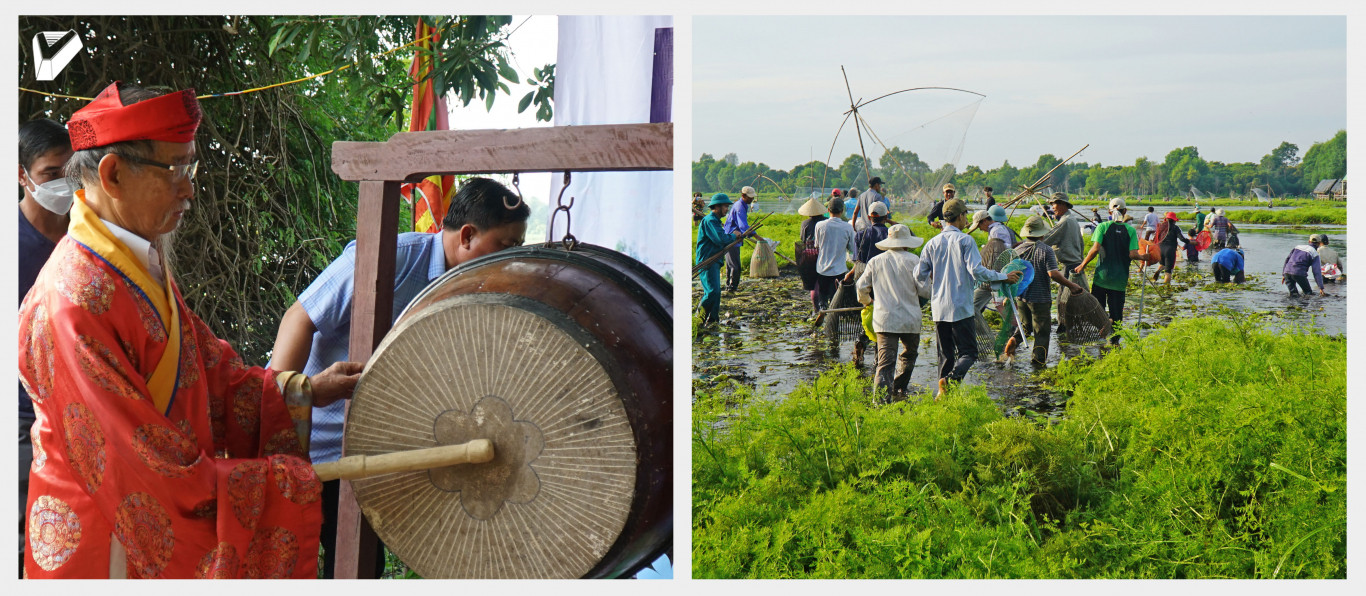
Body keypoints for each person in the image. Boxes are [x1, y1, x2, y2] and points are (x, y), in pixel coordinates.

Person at [18, 82, 364, 578]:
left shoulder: (134, 262)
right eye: (175, 168)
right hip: (106, 538)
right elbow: (141, 466)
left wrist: (303, 391)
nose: (189, 188)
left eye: (191, 167)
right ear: (113, 174)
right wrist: (276, 484)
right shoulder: (74, 298)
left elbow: (210, 373)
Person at [269, 177, 528, 577]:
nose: (509, 261)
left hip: (372, 457)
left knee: (357, 572)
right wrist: (277, 404)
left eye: (518, 249)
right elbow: (300, 317)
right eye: (505, 246)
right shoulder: (390, 257)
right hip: (306, 446)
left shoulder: (475, 293)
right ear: (467, 236)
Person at [17, 117, 74, 577]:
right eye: (51, 174)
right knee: (27, 541)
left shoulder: (86, 233)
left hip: (76, 411)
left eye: (70, 173)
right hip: (22, 416)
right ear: (23, 176)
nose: (63, 184)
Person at [914, 199, 1020, 399]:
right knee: (969, 353)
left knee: (945, 355)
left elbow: (919, 275)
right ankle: (951, 382)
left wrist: (936, 280)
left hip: (939, 308)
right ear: (960, 216)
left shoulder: (932, 243)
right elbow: (976, 271)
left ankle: (943, 394)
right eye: (966, 215)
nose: (967, 220)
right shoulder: (965, 241)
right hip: (960, 306)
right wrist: (1002, 276)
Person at [856, 224, 929, 398]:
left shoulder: (876, 261)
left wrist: (868, 301)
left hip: (885, 319)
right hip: (910, 319)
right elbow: (925, 291)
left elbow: (861, 287)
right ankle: (898, 388)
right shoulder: (914, 261)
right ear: (907, 243)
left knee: (885, 363)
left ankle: (880, 400)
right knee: (909, 355)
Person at [1004, 216, 1085, 365]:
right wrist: (1071, 285)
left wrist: (1007, 296)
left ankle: (1015, 339)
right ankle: (1038, 363)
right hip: (1040, 297)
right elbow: (1053, 274)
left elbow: (1012, 275)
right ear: (1042, 234)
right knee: (1042, 332)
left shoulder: (1017, 250)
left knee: (1026, 326)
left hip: (1021, 296)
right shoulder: (1046, 250)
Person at [1075, 198, 1141, 342]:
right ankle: (1115, 342)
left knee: (1097, 311)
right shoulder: (1130, 230)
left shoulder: (1102, 227)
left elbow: (1095, 249)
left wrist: (1082, 265)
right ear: (1125, 211)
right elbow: (1133, 255)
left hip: (1101, 278)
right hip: (1119, 280)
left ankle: (1103, 335)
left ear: (1110, 212)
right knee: (1117, 316)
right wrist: (1145, 257)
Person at [848, 201, 892, 362]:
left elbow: (858, 260)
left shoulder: (861, 234)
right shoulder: (890, 234)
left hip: (865, 279)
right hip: (885, 281)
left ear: (868, 217)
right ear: (886, 217)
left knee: (868, 313)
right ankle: (878, 358)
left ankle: (862, 340)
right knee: (883, 319)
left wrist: (850, 274)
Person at [965, 205, 1015, 316]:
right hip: (997, 273)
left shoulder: (996, 231)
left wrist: (994, 275)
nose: (979, 229)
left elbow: (999, 253)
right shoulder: (996, 229)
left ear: (984, 221)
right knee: (996, 303)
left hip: (997, 272)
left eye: (979, 225)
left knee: (975, 305)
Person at [695, 193, 736, 324]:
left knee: (716, 292)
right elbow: (721, 239)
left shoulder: (715, 221)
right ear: (717, 207)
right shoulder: (710, 221)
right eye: (725, 206)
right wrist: (734, 236)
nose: (727, 209)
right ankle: (698, 319)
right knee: (712, 292)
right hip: (707, 260)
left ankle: (713, 320)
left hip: (714, 260)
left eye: (727, 206)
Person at [814, 198, 857, 312]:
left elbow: (817, 245)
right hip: (838, 270)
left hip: (822, 268)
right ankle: (833, 316)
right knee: (836, 299)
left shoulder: (819, 225)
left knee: (823, 298)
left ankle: (822, 311)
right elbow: (852, 248)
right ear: (842, 211)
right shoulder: (847, 227)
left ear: (828, 210)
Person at [1039, 192, 1087, 291]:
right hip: (1076, 264)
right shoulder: (1072, 219)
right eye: (1052, 204)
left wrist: (1027, 243)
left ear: (1062, 204)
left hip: (1069, 266)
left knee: (1064, 297)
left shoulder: (1065, 221)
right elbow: (1081, 243)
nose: (1053, 208)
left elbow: (1046, 240)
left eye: (1054, 204)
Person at [722, 185, 759, 292]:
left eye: (752, 197)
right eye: (750, 197)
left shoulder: (743, 205)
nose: (752, 199)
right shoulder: (739, 207)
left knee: (731, 264)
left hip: (734, 236)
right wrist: (757, 236)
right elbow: (743, 226)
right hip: (731, 237)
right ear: (743, 196)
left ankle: (729, 286)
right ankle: (732, 288)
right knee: (735, 265)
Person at [796, 197, 827, 313]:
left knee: (813, 284)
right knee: (823, 280)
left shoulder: (805, 223)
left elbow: (802, 239)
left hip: (809, 255)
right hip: (823, 253)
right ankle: (824, 305)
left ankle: (816, 309)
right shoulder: (825, 222)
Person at [1152, 211, 1190, 285]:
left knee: (1162, 264)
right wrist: (1189, 242)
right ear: (1174, 220)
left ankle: (1158, 270)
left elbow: (1155, 239)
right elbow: (1182, 239)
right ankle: (1166, 287)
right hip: (1170, 250)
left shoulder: (1161, 227)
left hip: (1160, 249)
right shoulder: (1175, 228)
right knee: (1168, 271)